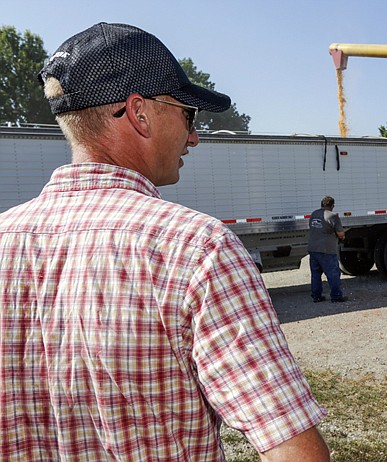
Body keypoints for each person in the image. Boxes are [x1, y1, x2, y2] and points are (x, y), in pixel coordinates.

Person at [0, 23, 329, 462]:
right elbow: (295, 452)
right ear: (139, 114)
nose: (194, 135)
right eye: (188, 115)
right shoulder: (200, 248)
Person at [308, 196, 346, 303]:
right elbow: (340, 234)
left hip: (313, 248)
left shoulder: (314, 214)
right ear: (332, 205)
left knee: (315, 274)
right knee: (333, 274)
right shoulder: (333, 216)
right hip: (326, 250)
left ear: (322, 204)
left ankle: (316, 296)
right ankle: (336, 296)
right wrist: (342, 236)